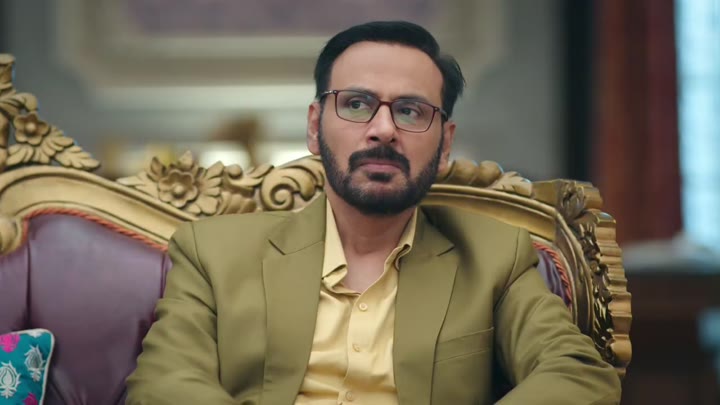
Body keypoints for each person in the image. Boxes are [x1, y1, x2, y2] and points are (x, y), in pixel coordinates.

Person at [125, 21, 622, 405]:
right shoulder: (214, 252)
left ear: (445, 145)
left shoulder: (494, 256)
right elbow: (162, 384)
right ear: (315, 126)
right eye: (357, 104)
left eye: (410, 111)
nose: (383, 129)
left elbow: (578, 375)